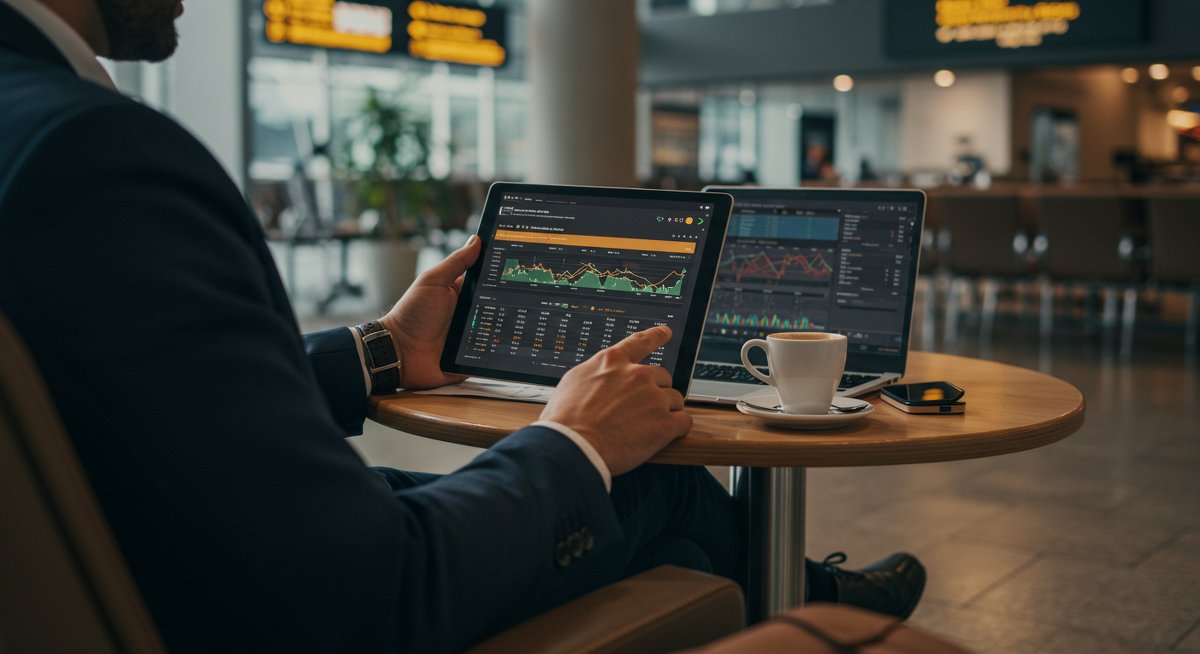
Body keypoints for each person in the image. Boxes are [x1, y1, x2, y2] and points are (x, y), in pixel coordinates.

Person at [0, 1, 925, 651]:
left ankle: (804, 597)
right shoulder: (90, 149)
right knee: (649, 494)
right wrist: (575, 439)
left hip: (171, 561)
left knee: (675, 543)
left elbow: (167, 410)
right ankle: (826, 608)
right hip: (279, 603)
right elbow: (372, 596)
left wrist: (382, 352)